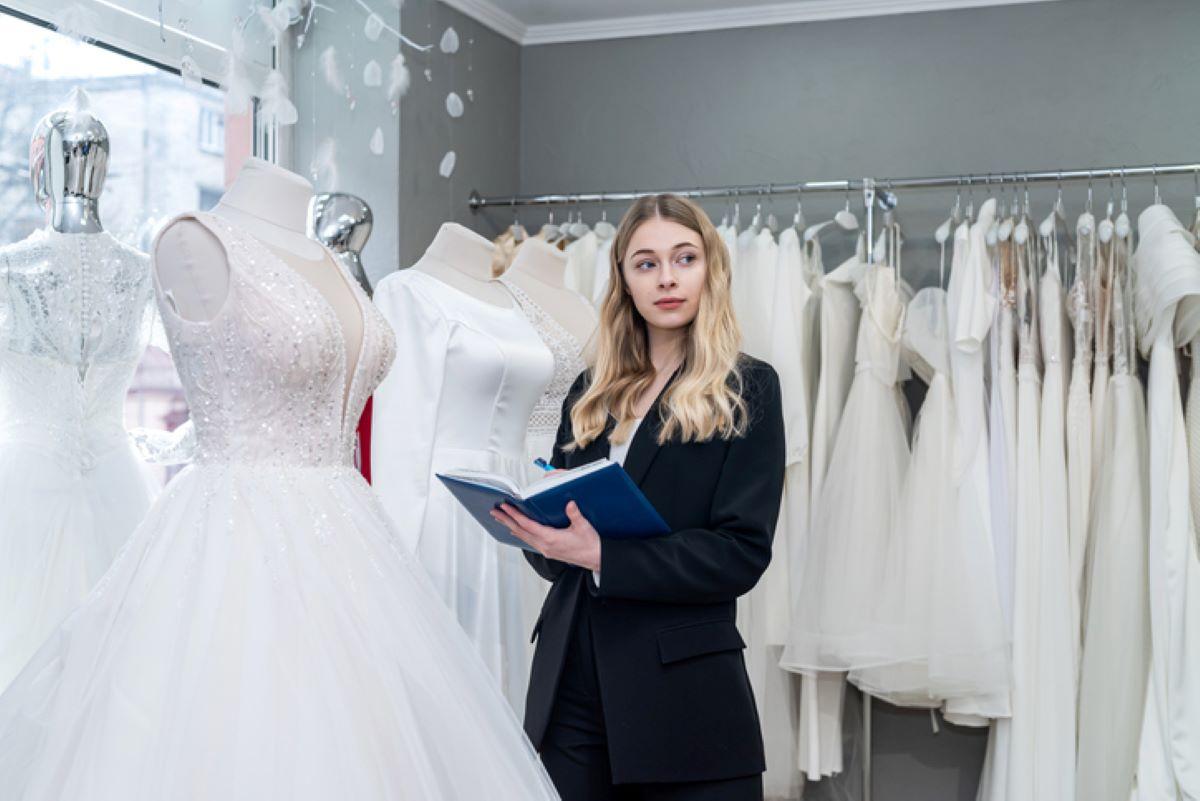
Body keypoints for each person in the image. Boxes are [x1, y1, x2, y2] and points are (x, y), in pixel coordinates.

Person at [490, 193, 786, 801]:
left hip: (683, 698)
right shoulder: (591, 390)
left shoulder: (748, 387)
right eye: (646, 263)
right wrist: (536, 528)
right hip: (572, 682)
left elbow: (740, 553)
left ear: (711, 270)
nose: (668, 278)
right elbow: (563, 551)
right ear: (623, 279)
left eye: (685, 258)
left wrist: (605, 557)